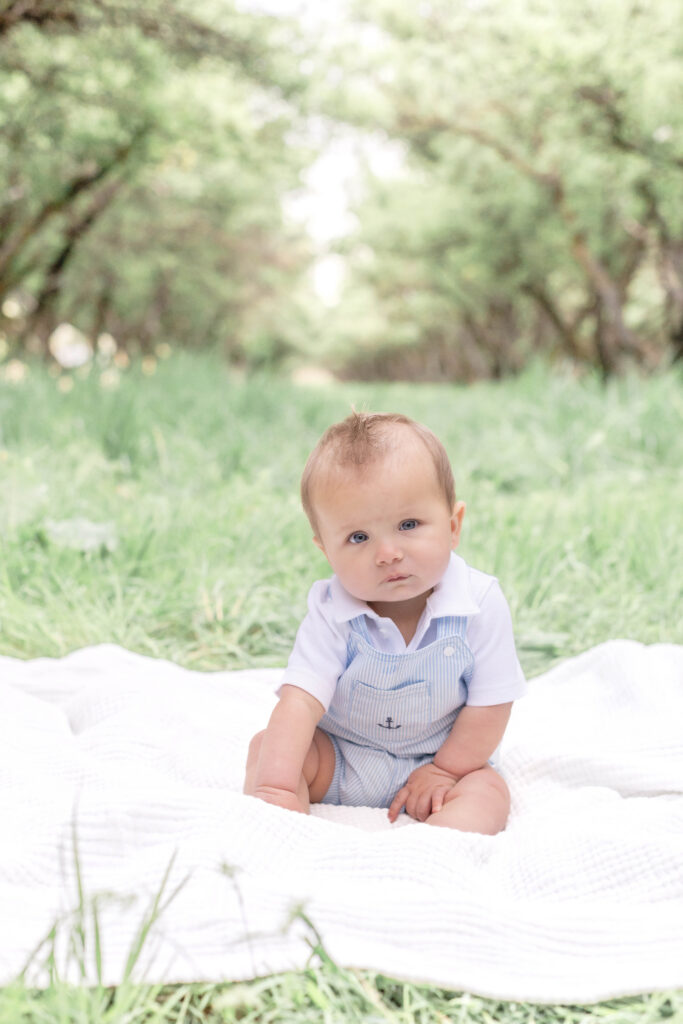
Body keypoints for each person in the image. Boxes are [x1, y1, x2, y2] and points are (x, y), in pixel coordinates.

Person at [244, 411, 526, 832]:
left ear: (453, 526)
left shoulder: (478, 604)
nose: (387, 553)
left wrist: (447, 771)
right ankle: (279, 822)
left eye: (408, 525)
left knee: (489, 793)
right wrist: (278, 786)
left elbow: (491, 704)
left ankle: (440, 850)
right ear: (326, 550)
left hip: (443, 761)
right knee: (269, 749)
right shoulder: (331, 611)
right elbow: (300, 701)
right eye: (358, 537)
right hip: (343, 758)